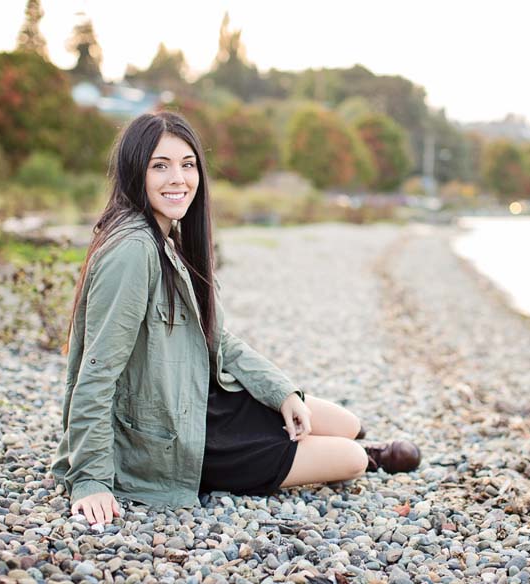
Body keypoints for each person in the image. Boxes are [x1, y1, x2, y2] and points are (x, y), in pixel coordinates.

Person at [50, 111, 421, 525]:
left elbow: (217, 340)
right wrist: (91, 479)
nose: (178, 179)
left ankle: (323, 445)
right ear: (134, 170)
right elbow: (95, 372)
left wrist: (280, 392)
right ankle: (360, 457)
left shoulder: (167, 238)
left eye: (188, 165)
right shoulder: (133, 249)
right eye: (160, 166)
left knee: (346, 423)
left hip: (202, 398)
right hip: (175, 435)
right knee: (351, 458)